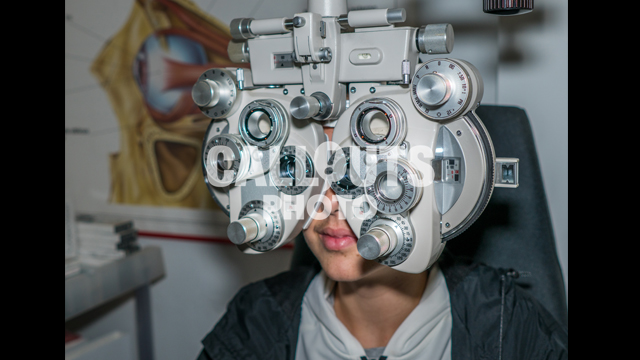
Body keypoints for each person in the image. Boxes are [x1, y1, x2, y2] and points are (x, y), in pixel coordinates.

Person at [196, 127, 568, 360]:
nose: (329, 203)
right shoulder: (256, 321)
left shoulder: (504, 322)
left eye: (364, 175)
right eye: (305, 171)